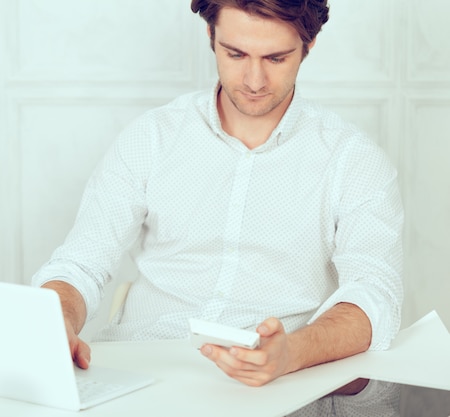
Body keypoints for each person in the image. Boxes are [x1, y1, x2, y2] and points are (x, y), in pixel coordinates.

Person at [32, 0, 403, 397]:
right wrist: (54, 323)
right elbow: (80, 264)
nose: (255, 80)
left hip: (276, 387)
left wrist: (292, 353)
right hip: (143, 373)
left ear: (308, 45)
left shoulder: (354, 161)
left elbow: (374, 295)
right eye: (236, 54)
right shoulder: (152, 138)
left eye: (276, 58)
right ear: (211, 36)